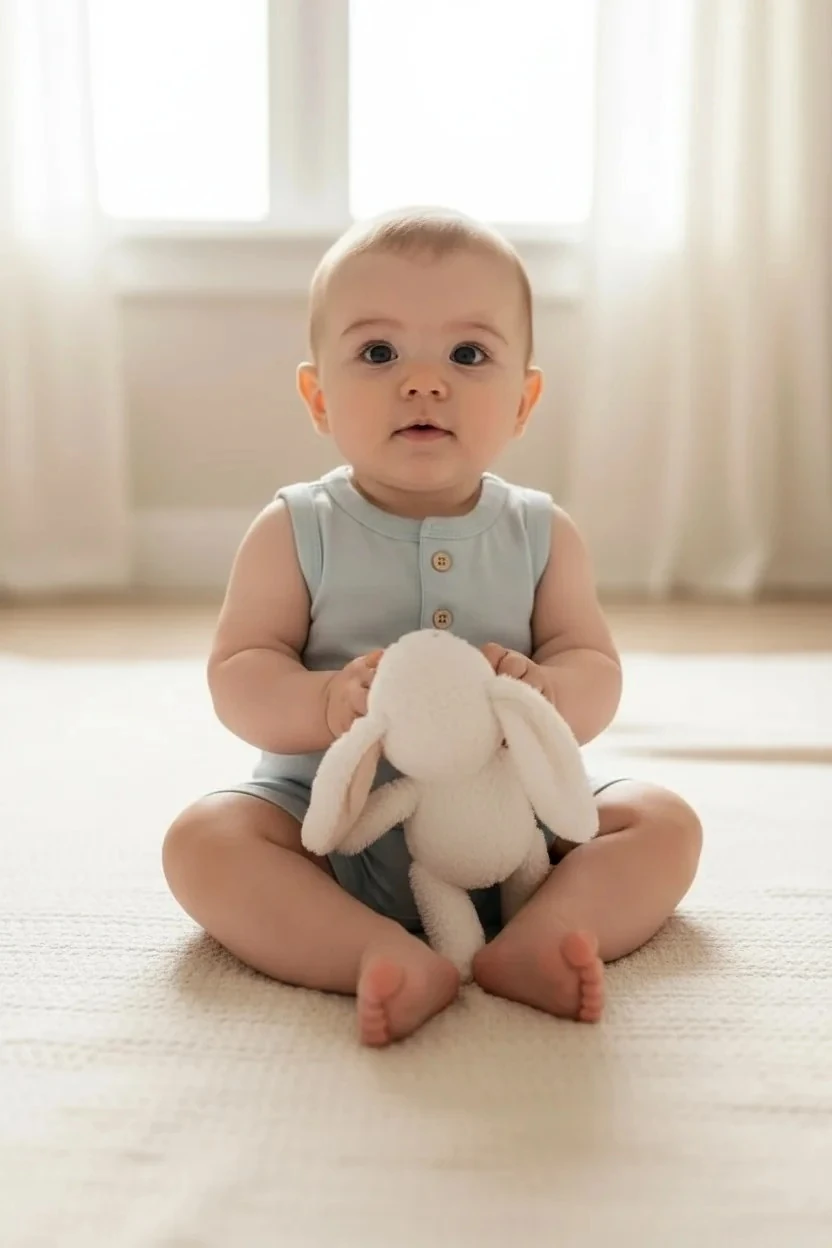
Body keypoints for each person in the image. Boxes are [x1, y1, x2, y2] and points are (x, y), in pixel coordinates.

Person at [162, 206, 703, 1047]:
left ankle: (542, 936)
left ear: (523, 400)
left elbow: (591, 661)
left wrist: (550, 691)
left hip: (511, 828)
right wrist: (324, 701)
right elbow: (240, 670)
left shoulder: (541, 531)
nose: (424, 382)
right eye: (378, 354)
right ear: (318, 396)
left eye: (468, 354)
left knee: (662, 820)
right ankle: (371, 951)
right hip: (325, 823)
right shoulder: (294, 527)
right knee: (204, 842)